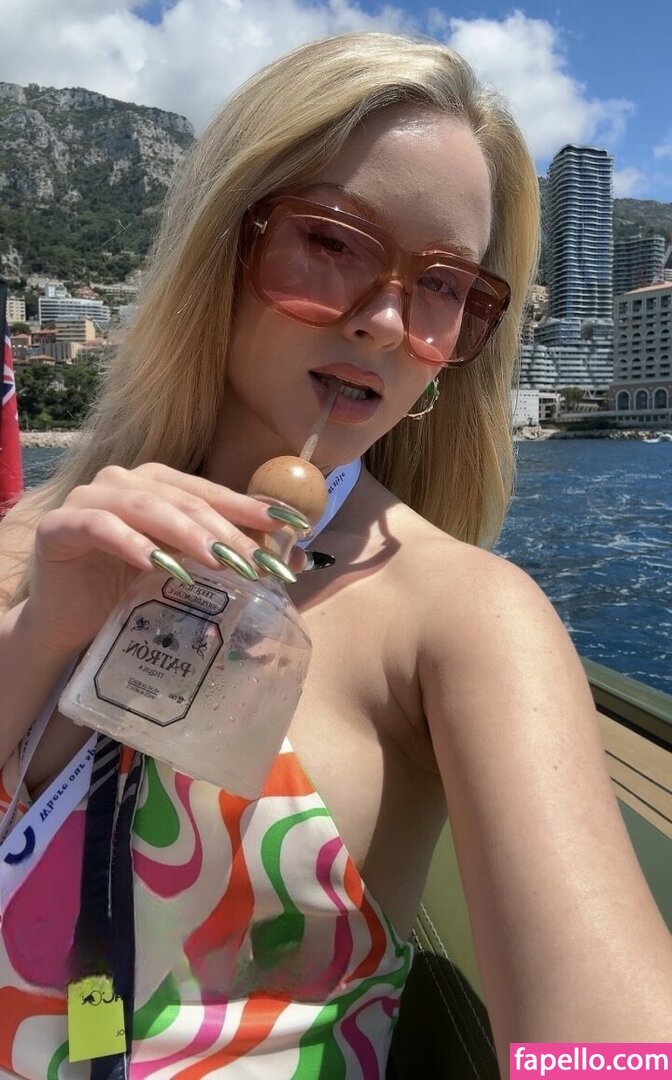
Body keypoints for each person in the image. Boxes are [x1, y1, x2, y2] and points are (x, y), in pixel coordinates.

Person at [0, 30, 670, 1080]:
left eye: (445, 286)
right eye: (332, 242)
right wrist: (45, 637)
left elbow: (610, 1051)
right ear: (221, 248)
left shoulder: (461, 619)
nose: (389, 322)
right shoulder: (39, 541)